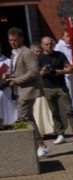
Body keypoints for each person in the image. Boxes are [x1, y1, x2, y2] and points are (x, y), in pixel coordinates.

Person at [6, 28, 49, 157]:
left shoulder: (27, 53)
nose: (12, 42)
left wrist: (17, 80)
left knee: (22, 118)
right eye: (10, 40)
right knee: (29, 119)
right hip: (19, 90)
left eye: (15, 40)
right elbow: (15, 69)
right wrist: (7, 75)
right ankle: (41, 145)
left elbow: (33, 72)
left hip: (28, 90)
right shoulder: (14, 54)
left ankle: (28, 147)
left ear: (21, 39)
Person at [37, 35, 73, 144]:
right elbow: (37, 74)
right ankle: (60, 134)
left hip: (61, 86)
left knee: (69, 110)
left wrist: (59, 72)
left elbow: (70, 68)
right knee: (54, 112)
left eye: (51, 44)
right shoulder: (39, 58)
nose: (49, 46)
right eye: (46, 44)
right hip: (47, 87)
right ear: (42, 45)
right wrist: (44, 71)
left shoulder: (59, 55)